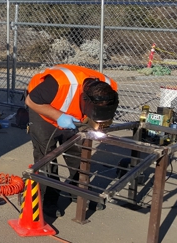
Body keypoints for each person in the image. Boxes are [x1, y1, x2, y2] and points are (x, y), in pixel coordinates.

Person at [25, 64, 119, 218]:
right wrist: (59, 116)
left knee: (78, 153)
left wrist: (99, 125)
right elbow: (31, 101)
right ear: (85, 100)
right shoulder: (59, 84)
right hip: (42, 107)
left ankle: (78, 192)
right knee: (46, 156)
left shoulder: (110, 89)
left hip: (73, 112)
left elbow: (103, 113)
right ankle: (48, 200)